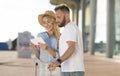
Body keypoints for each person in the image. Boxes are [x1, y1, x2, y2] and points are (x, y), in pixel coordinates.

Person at [48, 4, 85, 76]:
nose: (57, 20)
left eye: (59, 17)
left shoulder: (69, 28)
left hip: (72, 70)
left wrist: (57, 62)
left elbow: (71, 48)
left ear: (67, 15)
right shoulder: (70, 28)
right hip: (71, 69)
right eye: (56, 18)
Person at [30, 10, 61, 76]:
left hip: (56, 68)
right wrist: (35, 49)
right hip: (43, 68)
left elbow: (60, 56)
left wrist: (47, 48)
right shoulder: (40, 36)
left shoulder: (60, 37)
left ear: (53, 22)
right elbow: (38, 56)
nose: (46, 25)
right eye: (44, 22)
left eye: (48, 22)